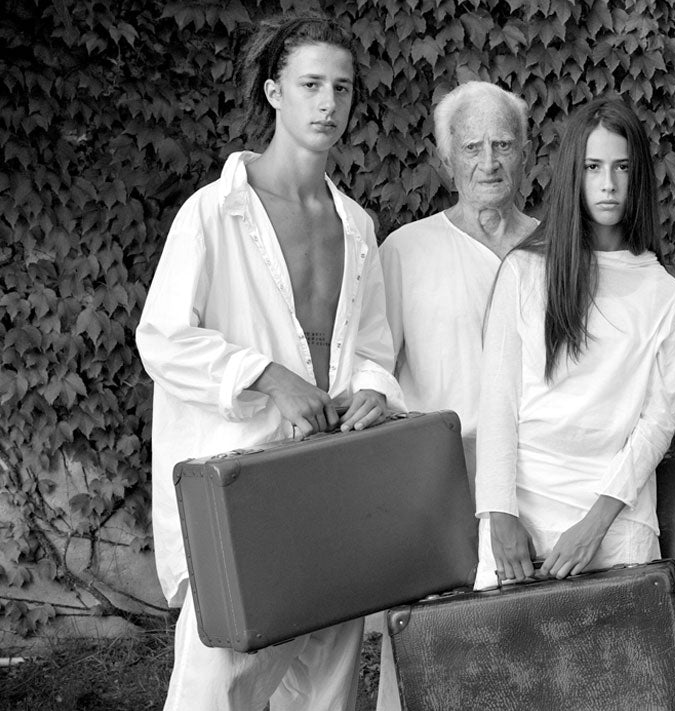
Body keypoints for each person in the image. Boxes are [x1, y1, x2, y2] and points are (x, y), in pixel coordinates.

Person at [135, 13, 402, 710]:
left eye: (341, 88)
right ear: (274, 91)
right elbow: (161, 338)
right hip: (242, 492)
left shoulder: (357, 225)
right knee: (214, 692)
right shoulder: (212, 213)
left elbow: (374, 344)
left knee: (328, 693)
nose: (328, 104)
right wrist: (267, 375)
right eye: (310, 84)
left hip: (332, 482)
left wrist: (373, 389)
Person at [474, 97, 675, 585]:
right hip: (521, 525)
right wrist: (498, 514)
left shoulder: (662, 292)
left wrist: (595, 525)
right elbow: (498, 403)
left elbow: (657, 424)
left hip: (618, 527)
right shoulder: (525, 271)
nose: (608, 184)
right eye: (593, 167)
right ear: (574, 172)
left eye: (621, 167)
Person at [373, 80, 537, 711]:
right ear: (445, 159)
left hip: (534, 482)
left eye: (503, 145)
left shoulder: (556, 248)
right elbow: (372, 373)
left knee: (522, 653)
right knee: (426, 653)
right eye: (472, 147)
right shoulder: (405, 251)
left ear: (525, 152)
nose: (488, 162)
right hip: (435, 485)